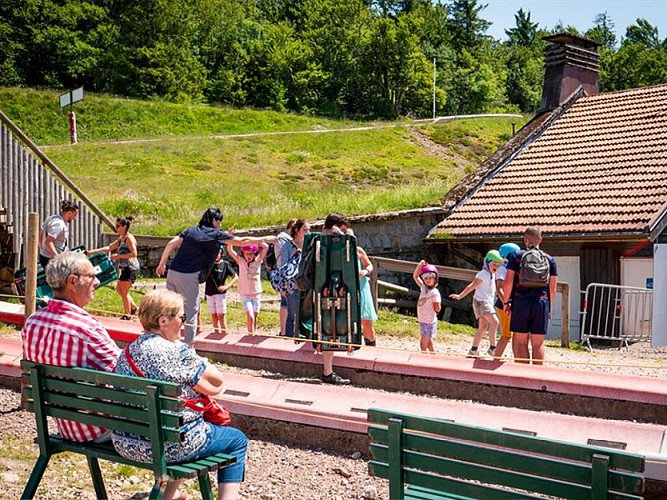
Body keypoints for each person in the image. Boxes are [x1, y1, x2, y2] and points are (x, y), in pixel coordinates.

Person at [112, 290, 247, 500]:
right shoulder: (177, 352)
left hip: (126, 442)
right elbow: (218, 380)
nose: (184, 323)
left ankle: (167, 497)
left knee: (179, 429)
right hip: (169, 447)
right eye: (182, 317)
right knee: (236, 440)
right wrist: (185, 349)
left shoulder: (128, 350)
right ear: (163, 320)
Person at [22, 251, 121, 442]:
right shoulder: (86, 328)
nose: (97, 282)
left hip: (66, 425)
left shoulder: (32, 322)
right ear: (72, 281)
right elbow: (126, 373)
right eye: (92, 276)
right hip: (97, 429)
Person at [156, 207, 275, 344]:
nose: (220, 225)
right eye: (219, 222)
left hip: (173, 272)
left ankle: (166, 339)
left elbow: (172, 243)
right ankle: (189, 346)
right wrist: (265, 238)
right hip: (188, 275)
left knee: (170, 307)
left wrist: (162, 263)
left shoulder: (191, 230)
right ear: (214, 220)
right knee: (191, 311)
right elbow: (242, 241)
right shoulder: (215, 234)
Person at [502, 227, 558, 365]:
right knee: (538, 344)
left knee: (521, 343)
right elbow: (553, 288)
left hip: (520, 301)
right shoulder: (550, 259)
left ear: (525, 240)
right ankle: (538, 378)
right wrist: (549, 308)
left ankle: (523, 378)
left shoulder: (516, 256)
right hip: (541, 302)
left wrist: (505, 302)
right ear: (541, 239)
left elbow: (508, 282)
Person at [450, 250, 504, 358]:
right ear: (488, 262)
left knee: (483, 326)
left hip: (487, 302)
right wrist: (460, 296)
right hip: (481, 302)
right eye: (494, 264)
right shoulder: (482, 274)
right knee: (495, 321)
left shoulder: (492, 275)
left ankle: (474, 349)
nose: (496, 267)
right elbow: (472, 286)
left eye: (498, 265)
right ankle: (493, 348)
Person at [318, 212, 352, 384]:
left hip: (323, 289)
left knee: (327, 328)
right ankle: (327, 372)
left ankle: (328, 370)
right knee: (329, 328)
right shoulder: (330, 241)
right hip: (329, 290)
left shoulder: (317, 241)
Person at [88, 216, 140, 320]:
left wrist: (119, 256)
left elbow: (134, 254)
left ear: (124, 227)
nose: (116, 228)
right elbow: (109, 247)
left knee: (123, 292)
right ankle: (133, 308)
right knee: (119, 290)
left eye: (118, 226)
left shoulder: (129, 238)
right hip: (125, 268)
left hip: (131, 268)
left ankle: (127, 314)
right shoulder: (121, 238)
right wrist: (92, 252)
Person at [226, 242, 269, 334]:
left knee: (255, 315)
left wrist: (257, 241)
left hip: (256, 293)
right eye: (246, 253)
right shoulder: (240, 261)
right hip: (244, 293)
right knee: (250, 315)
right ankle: (250, 335)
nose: (249, 256)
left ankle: (253, 332)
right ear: (243, 253)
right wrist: (231, 236)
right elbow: (230, 250)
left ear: (255, 253)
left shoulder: (258, 260)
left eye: (251, 253)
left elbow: (266, 247)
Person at [347, 229, 377, 346]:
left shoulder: (359, 250)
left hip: (361, 285)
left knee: (366, 319)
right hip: (349, 286)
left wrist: (365, 271)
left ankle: (371, 346)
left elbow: (369, 265)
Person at [494, 242, 520, 359]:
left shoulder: (510, 269)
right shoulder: (502, 270)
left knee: (514, 334)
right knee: (506, 335)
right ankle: (496, 358)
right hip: (503, 304)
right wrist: (505, 302)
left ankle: (517, 358)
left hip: (510, 304)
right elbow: (499, 288)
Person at [284, 219, 310, 337]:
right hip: (291, 283)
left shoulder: (309, 244)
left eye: (309, 229)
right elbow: (283, 265)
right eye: (305, 230)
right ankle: (289, 339)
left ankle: (302, 336)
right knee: (292, 314)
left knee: (305, 312)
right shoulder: (288, 245)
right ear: (297, 230)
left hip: (305, 282)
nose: (308, 232)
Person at [204, 249, 238, 334]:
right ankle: (216, 333)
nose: (216, 255)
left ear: (221, 254)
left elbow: (235, 276)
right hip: (209, 292)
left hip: (220, 294)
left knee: (221, 315)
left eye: (218, 253)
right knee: (213, 315)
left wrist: (228, 286)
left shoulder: (225, 264)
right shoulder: (208, 264)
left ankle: (224, 334)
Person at [39, 199, 79, 269]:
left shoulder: (51, 218)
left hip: (46, 256)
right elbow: (48, 242)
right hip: (51, 259)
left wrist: (41, 246)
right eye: (74, 215)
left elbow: (41, 231)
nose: (75, 218)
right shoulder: (59, 224)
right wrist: (57, 258)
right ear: (69, 213)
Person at [412, 261, 442, 353]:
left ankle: (423, 358)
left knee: (423, 343)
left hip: (429, 322)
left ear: (435, 279)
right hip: (423, 320)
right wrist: (419, 266)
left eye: (430, 278)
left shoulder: (435, 293)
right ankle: (434, 357)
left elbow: (437, 308)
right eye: (425, 278)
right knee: (428, 342)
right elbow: (415, 276)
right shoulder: (424, 288)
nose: (427, 280)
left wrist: (435, 305)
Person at [274, 219, 297, 336]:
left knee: (285, 304)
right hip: (286, 276)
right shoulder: (283, 240)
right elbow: (283, 262)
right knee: (285, 303)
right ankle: (284, 331)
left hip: (286, 276)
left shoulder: (284, 240)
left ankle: (284, 331)